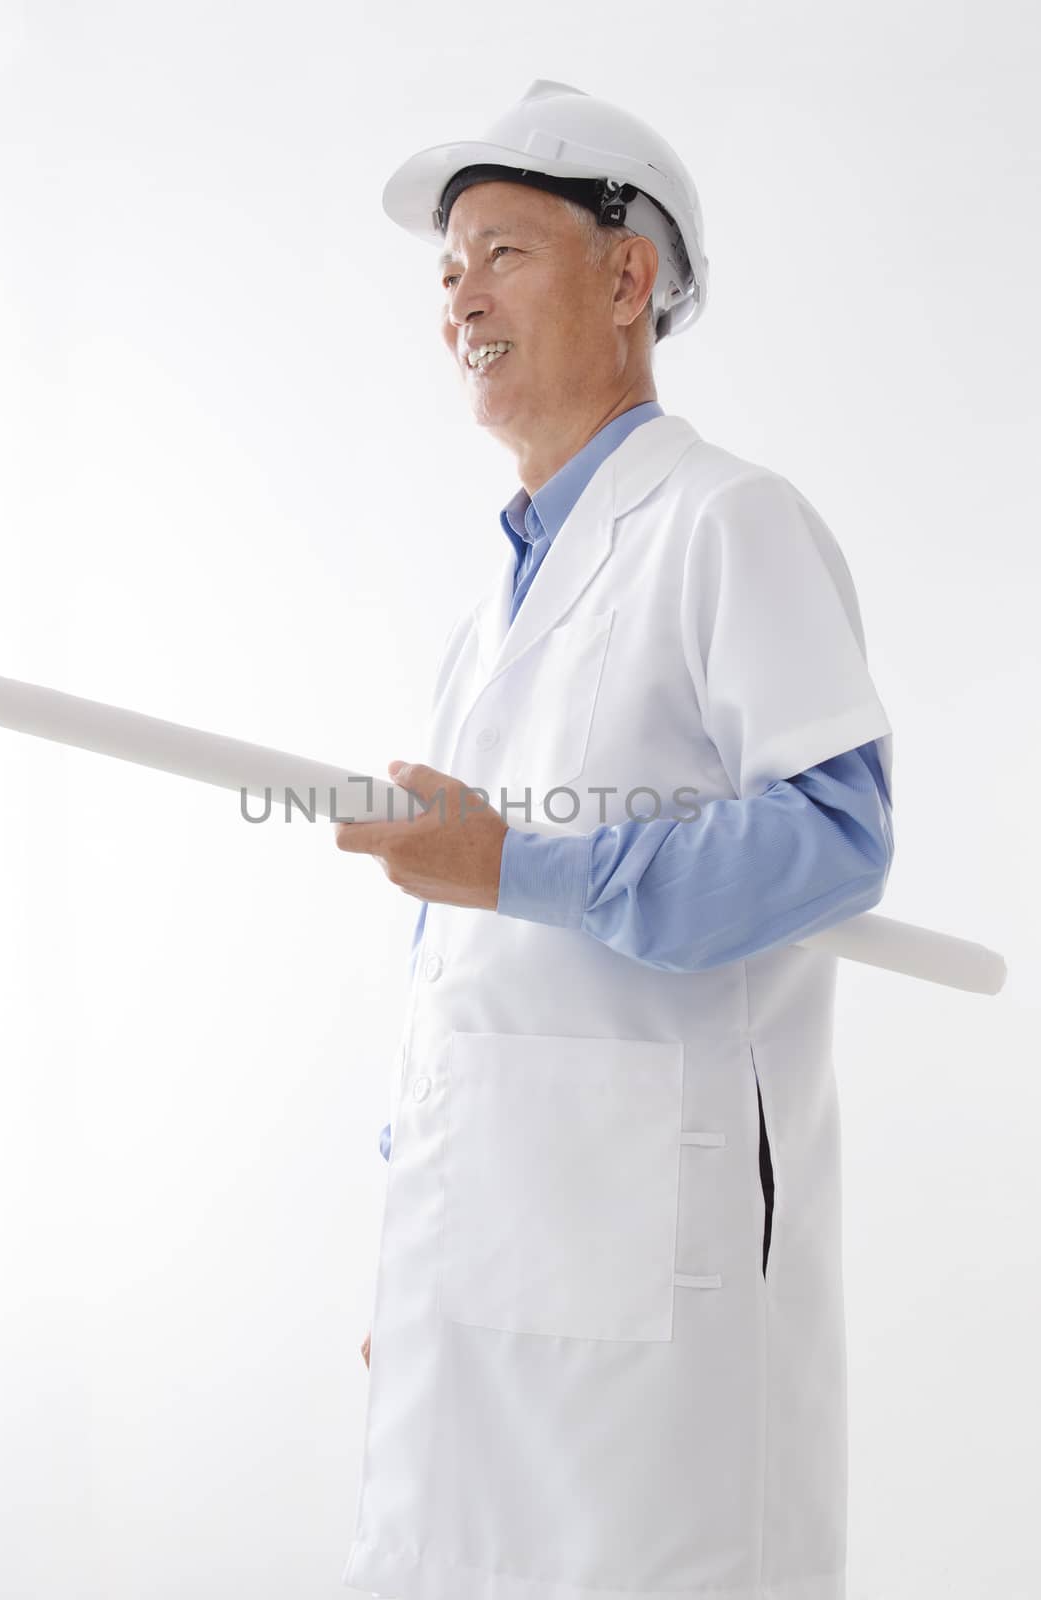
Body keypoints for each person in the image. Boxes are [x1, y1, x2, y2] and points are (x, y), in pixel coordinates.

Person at [335, 79, 893, 1600]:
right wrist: (420, 1252)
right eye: (446, 267)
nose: (459, 294)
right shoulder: (487, 614)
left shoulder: (728, 524)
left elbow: (832, 842)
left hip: (650, 1263)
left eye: (500, 250)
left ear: (627, 274)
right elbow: (465, 975)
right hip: (489, 1249)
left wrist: (518, 862)